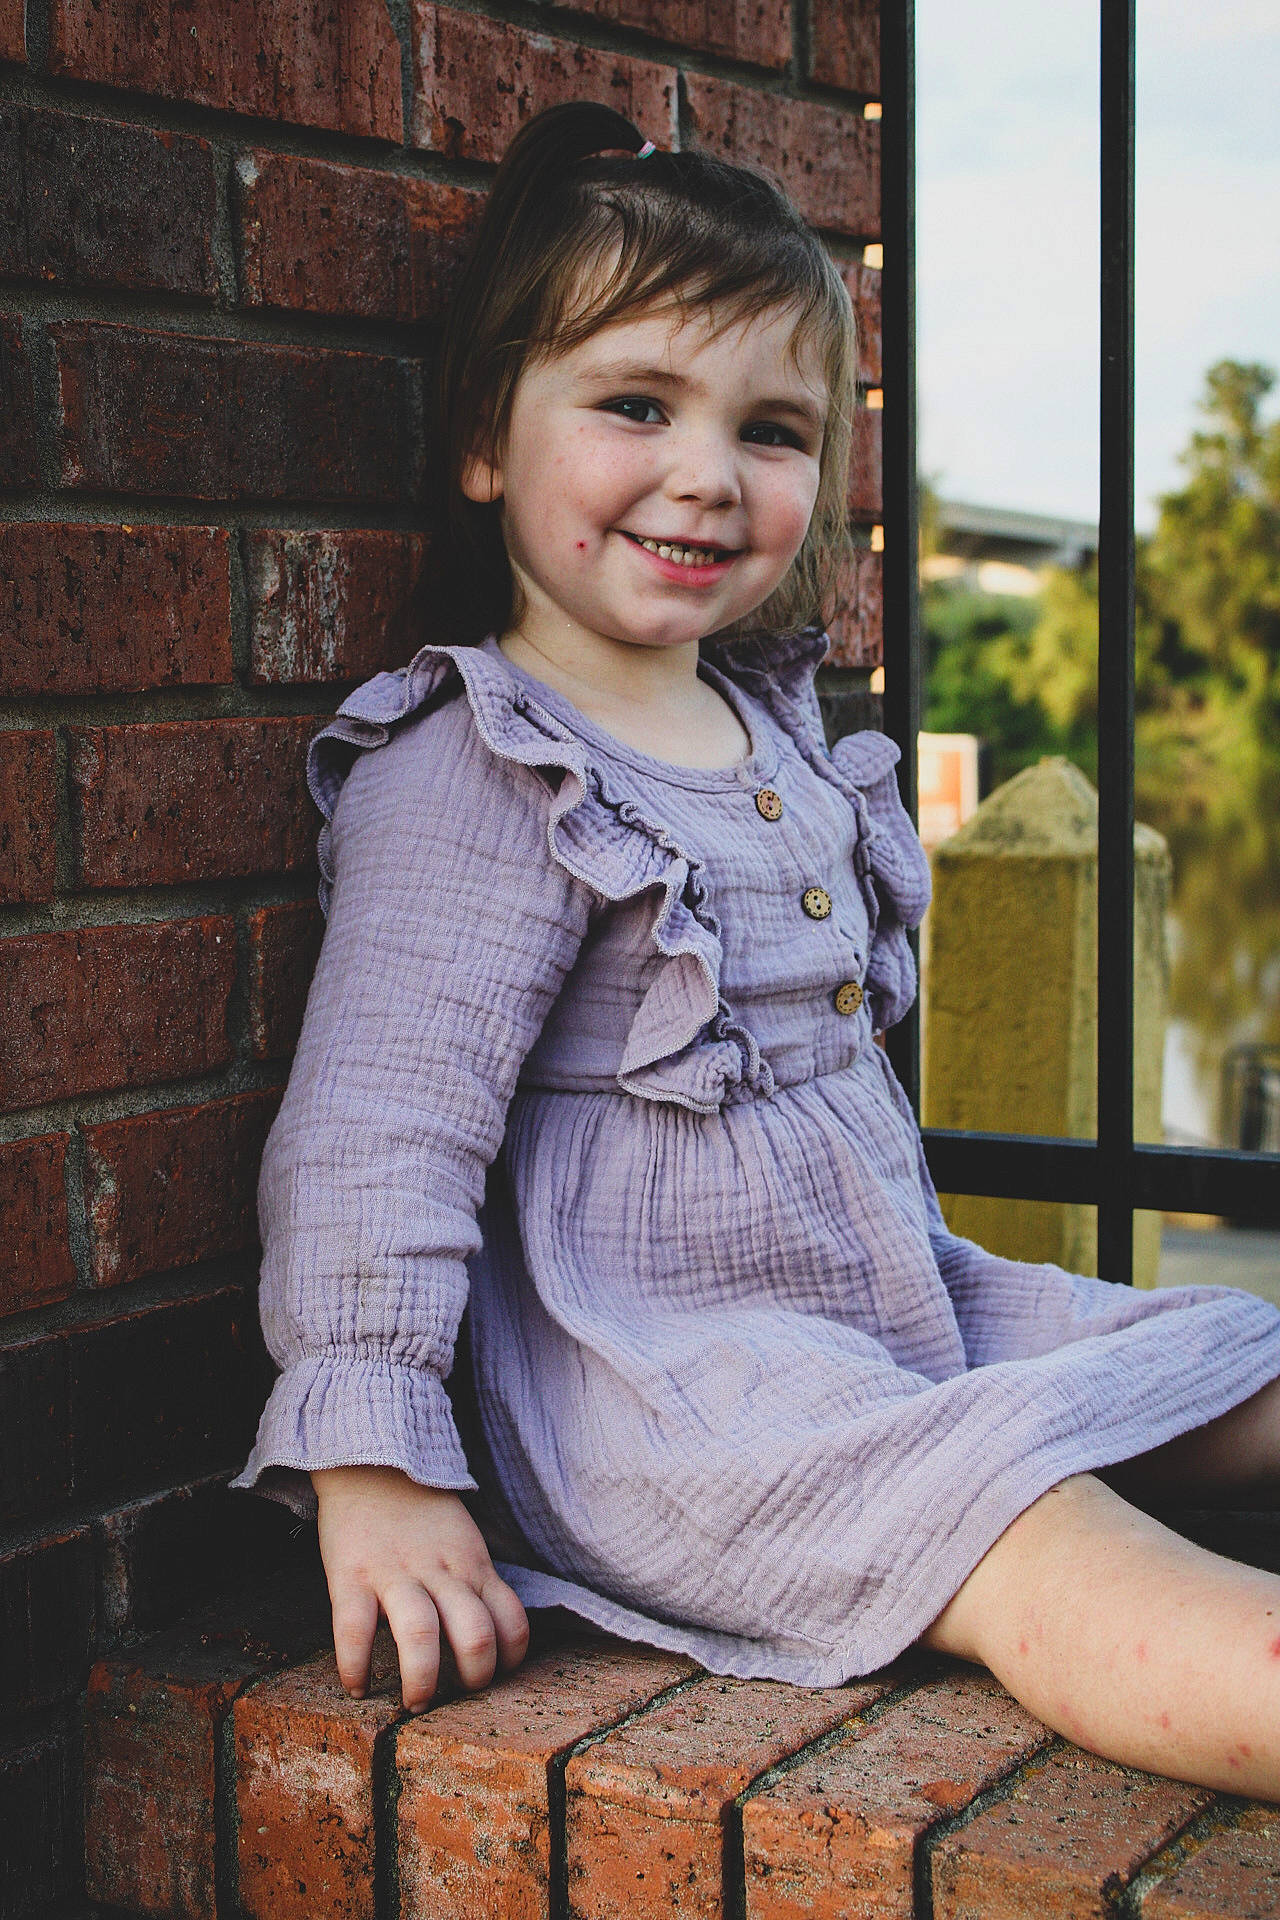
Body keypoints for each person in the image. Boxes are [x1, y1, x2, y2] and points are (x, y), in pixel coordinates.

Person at [231, 100, 1280, 1799]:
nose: (709, 474)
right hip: (680, 1404)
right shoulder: (486, 763)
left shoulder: (770, 727)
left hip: (898, 1314)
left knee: (1229, 1356)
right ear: (488, 438)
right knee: (1045, 1540)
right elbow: (375, 1134)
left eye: (772, 429)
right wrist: (377, 1463)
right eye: (638, 406)